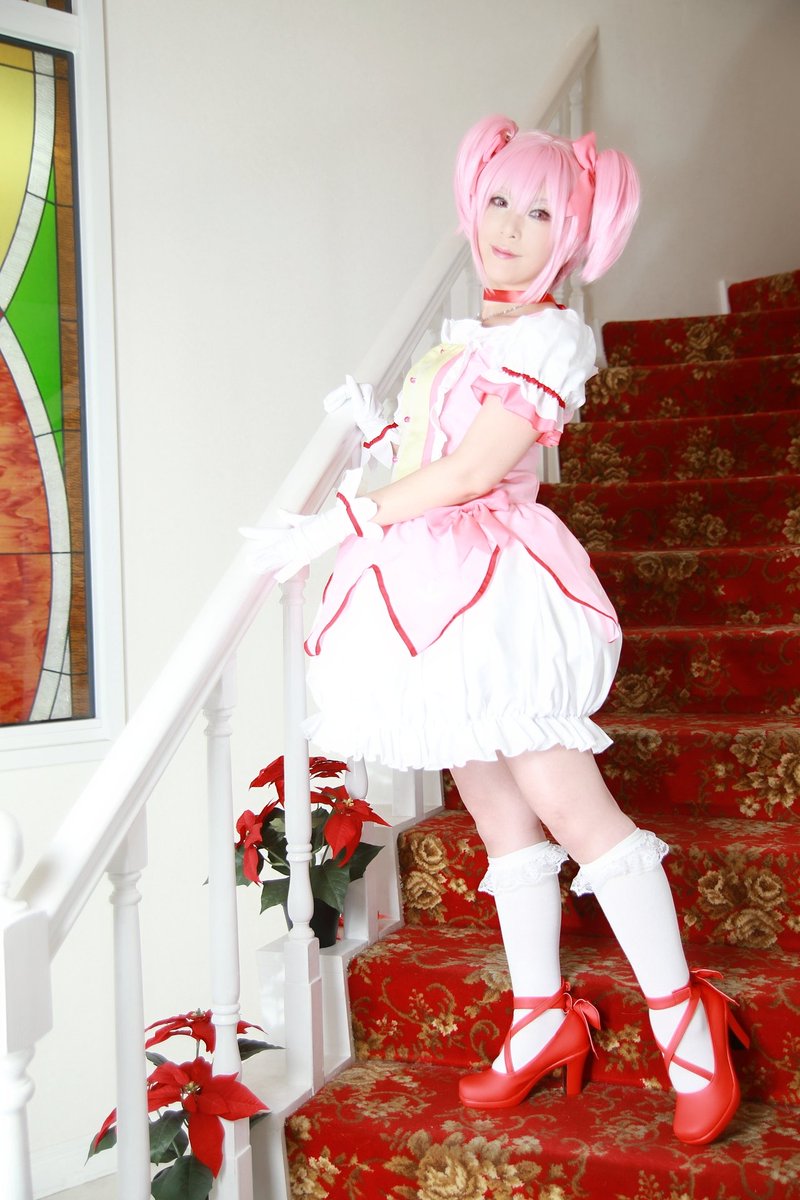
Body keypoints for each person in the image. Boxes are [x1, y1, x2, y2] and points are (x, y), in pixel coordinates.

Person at [244, 115, 747, 1145]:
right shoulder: (463, 336)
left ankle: (682, 1020)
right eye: (499, 201)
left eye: (541, 212)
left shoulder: (551, 337)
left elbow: (476, 471)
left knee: (570, 803)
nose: (510, 226)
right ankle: (538, 1018)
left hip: (496, 591)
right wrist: (380, 432)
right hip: (430, 591)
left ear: (575, 236)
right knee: (494, 810)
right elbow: (437, 450)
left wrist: (341, 520)